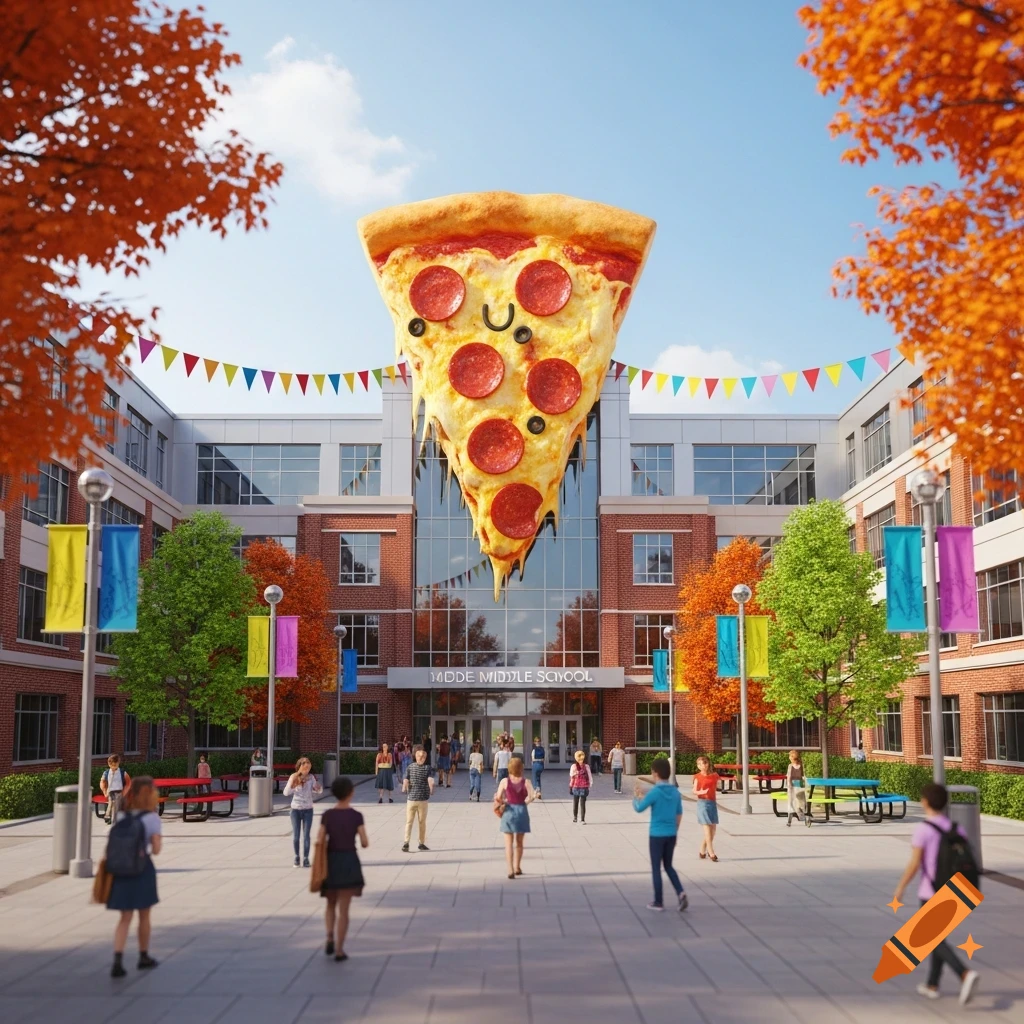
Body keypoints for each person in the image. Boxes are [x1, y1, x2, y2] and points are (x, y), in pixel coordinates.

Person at [893, 783, 980, 1005]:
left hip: (931, 891)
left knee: (930, 939)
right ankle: (932, 984)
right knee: (937, 937)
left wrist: (901, 887)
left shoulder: (923, 830)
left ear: (925, 802)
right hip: (955, 891)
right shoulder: (955, 828)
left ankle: (964, 973)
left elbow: (915, 863)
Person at [106, 776, 162, 977]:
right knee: (144, 915)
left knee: (124, 917)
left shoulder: (122, 816)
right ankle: (143, 956)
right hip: (142, 869)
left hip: (121, 869)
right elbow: (156, 850)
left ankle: (118, 960)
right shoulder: (152, 818)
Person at [318, 777, 368, 962]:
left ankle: (329, 935)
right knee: (344, 910)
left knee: (330, 903)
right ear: (351, 793)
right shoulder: (356, 816)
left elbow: (320, 839)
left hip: (331, 860)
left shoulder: (327, 815)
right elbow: (364, 842)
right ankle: (339, 950)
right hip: (348, 861)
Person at [633, 758, 687, 912]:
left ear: (655, 773)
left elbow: (639, 808)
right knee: (669, 865)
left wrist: (636, 797)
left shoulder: (655, 792)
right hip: (671, 833)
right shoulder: (675, 792)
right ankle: (681, 892)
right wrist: (675, 832)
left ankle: (658, 901)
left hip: (657, 834)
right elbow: (679, 814)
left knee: (656, 867)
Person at [495, 756, 536, 878]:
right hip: (522, 811)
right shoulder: (526, 782)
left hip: (508, 812)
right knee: (519, 842)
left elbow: (498, 798)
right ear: (521, 768)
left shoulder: (504, 781)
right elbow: (532, 796)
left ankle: (510, 870)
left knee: (508, 843)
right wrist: (525, 803)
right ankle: (518, 867)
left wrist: (505, 801)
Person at [283, 756, 322, 868]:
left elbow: (318, 790)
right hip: (295, 810)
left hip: (308, 809)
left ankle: (305, 858)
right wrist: (293, 785)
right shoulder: (293, 777)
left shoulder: (311, 778)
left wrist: (318, 788)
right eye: (305, 767)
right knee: (296, 836)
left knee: (306, 836)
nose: (307, 770)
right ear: (300, 767)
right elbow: (286, 793)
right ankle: (296, 857)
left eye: (308, 768)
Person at [401, 746, 435, 852]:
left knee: (411, 822)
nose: (421, 758)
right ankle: (417, 843)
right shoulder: (424, 768)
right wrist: (431, 787)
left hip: (414, 799)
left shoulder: (412, 767)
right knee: (420, 822)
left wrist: (404, 786)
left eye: (422, 756)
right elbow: (430, 780)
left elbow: (406, 779)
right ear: (416, 756)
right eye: (420, 756)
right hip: (420, 799)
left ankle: (409, 842)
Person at [692, 756, 720, 861]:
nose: (701, 766)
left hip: (712, 803)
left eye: (703, 763)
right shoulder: (697, 777)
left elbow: (719, 785)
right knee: (707, 828)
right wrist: (701, 792)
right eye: (699, 764)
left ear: (707, 764)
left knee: (713, 830)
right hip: (702, 804)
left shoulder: (714, 775)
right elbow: (694, 790)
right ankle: (711, 852)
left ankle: (702, 849)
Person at [100, 754, 131, 826]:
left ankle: (114, 821)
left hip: (119, 791)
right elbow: (102, 781)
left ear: (118, 763)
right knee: (111, 803)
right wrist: (104, 791)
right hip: (110, 791)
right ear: (109, 764)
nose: (114, 767)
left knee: (116, 805)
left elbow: (128, 782)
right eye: (112, 765)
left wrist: (124, 792)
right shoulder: (106, 773)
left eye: (115, 765)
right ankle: (108, 816)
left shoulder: (122, 772)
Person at [785, 749, 808, 827]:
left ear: (792, 757)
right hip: (800, 786)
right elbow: (803, 776)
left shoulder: (790, 766)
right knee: (800, 802)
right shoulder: (801, 765)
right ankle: (802, 815)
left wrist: (788, 786)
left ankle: (791, 819)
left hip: (793, 786)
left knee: (791, 802)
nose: (789, 758)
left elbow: (789, 777)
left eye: (789, 756)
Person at [569, 749, 593, 823]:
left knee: (577, 803)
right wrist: (590, 784)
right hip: (583, 786)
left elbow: (571, 776)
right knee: (581, 803)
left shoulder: (574, 766)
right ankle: (580, 819)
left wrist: (570, 786)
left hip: (576, 786)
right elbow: (590, 776)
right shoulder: (586, 766)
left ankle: (577, 818)